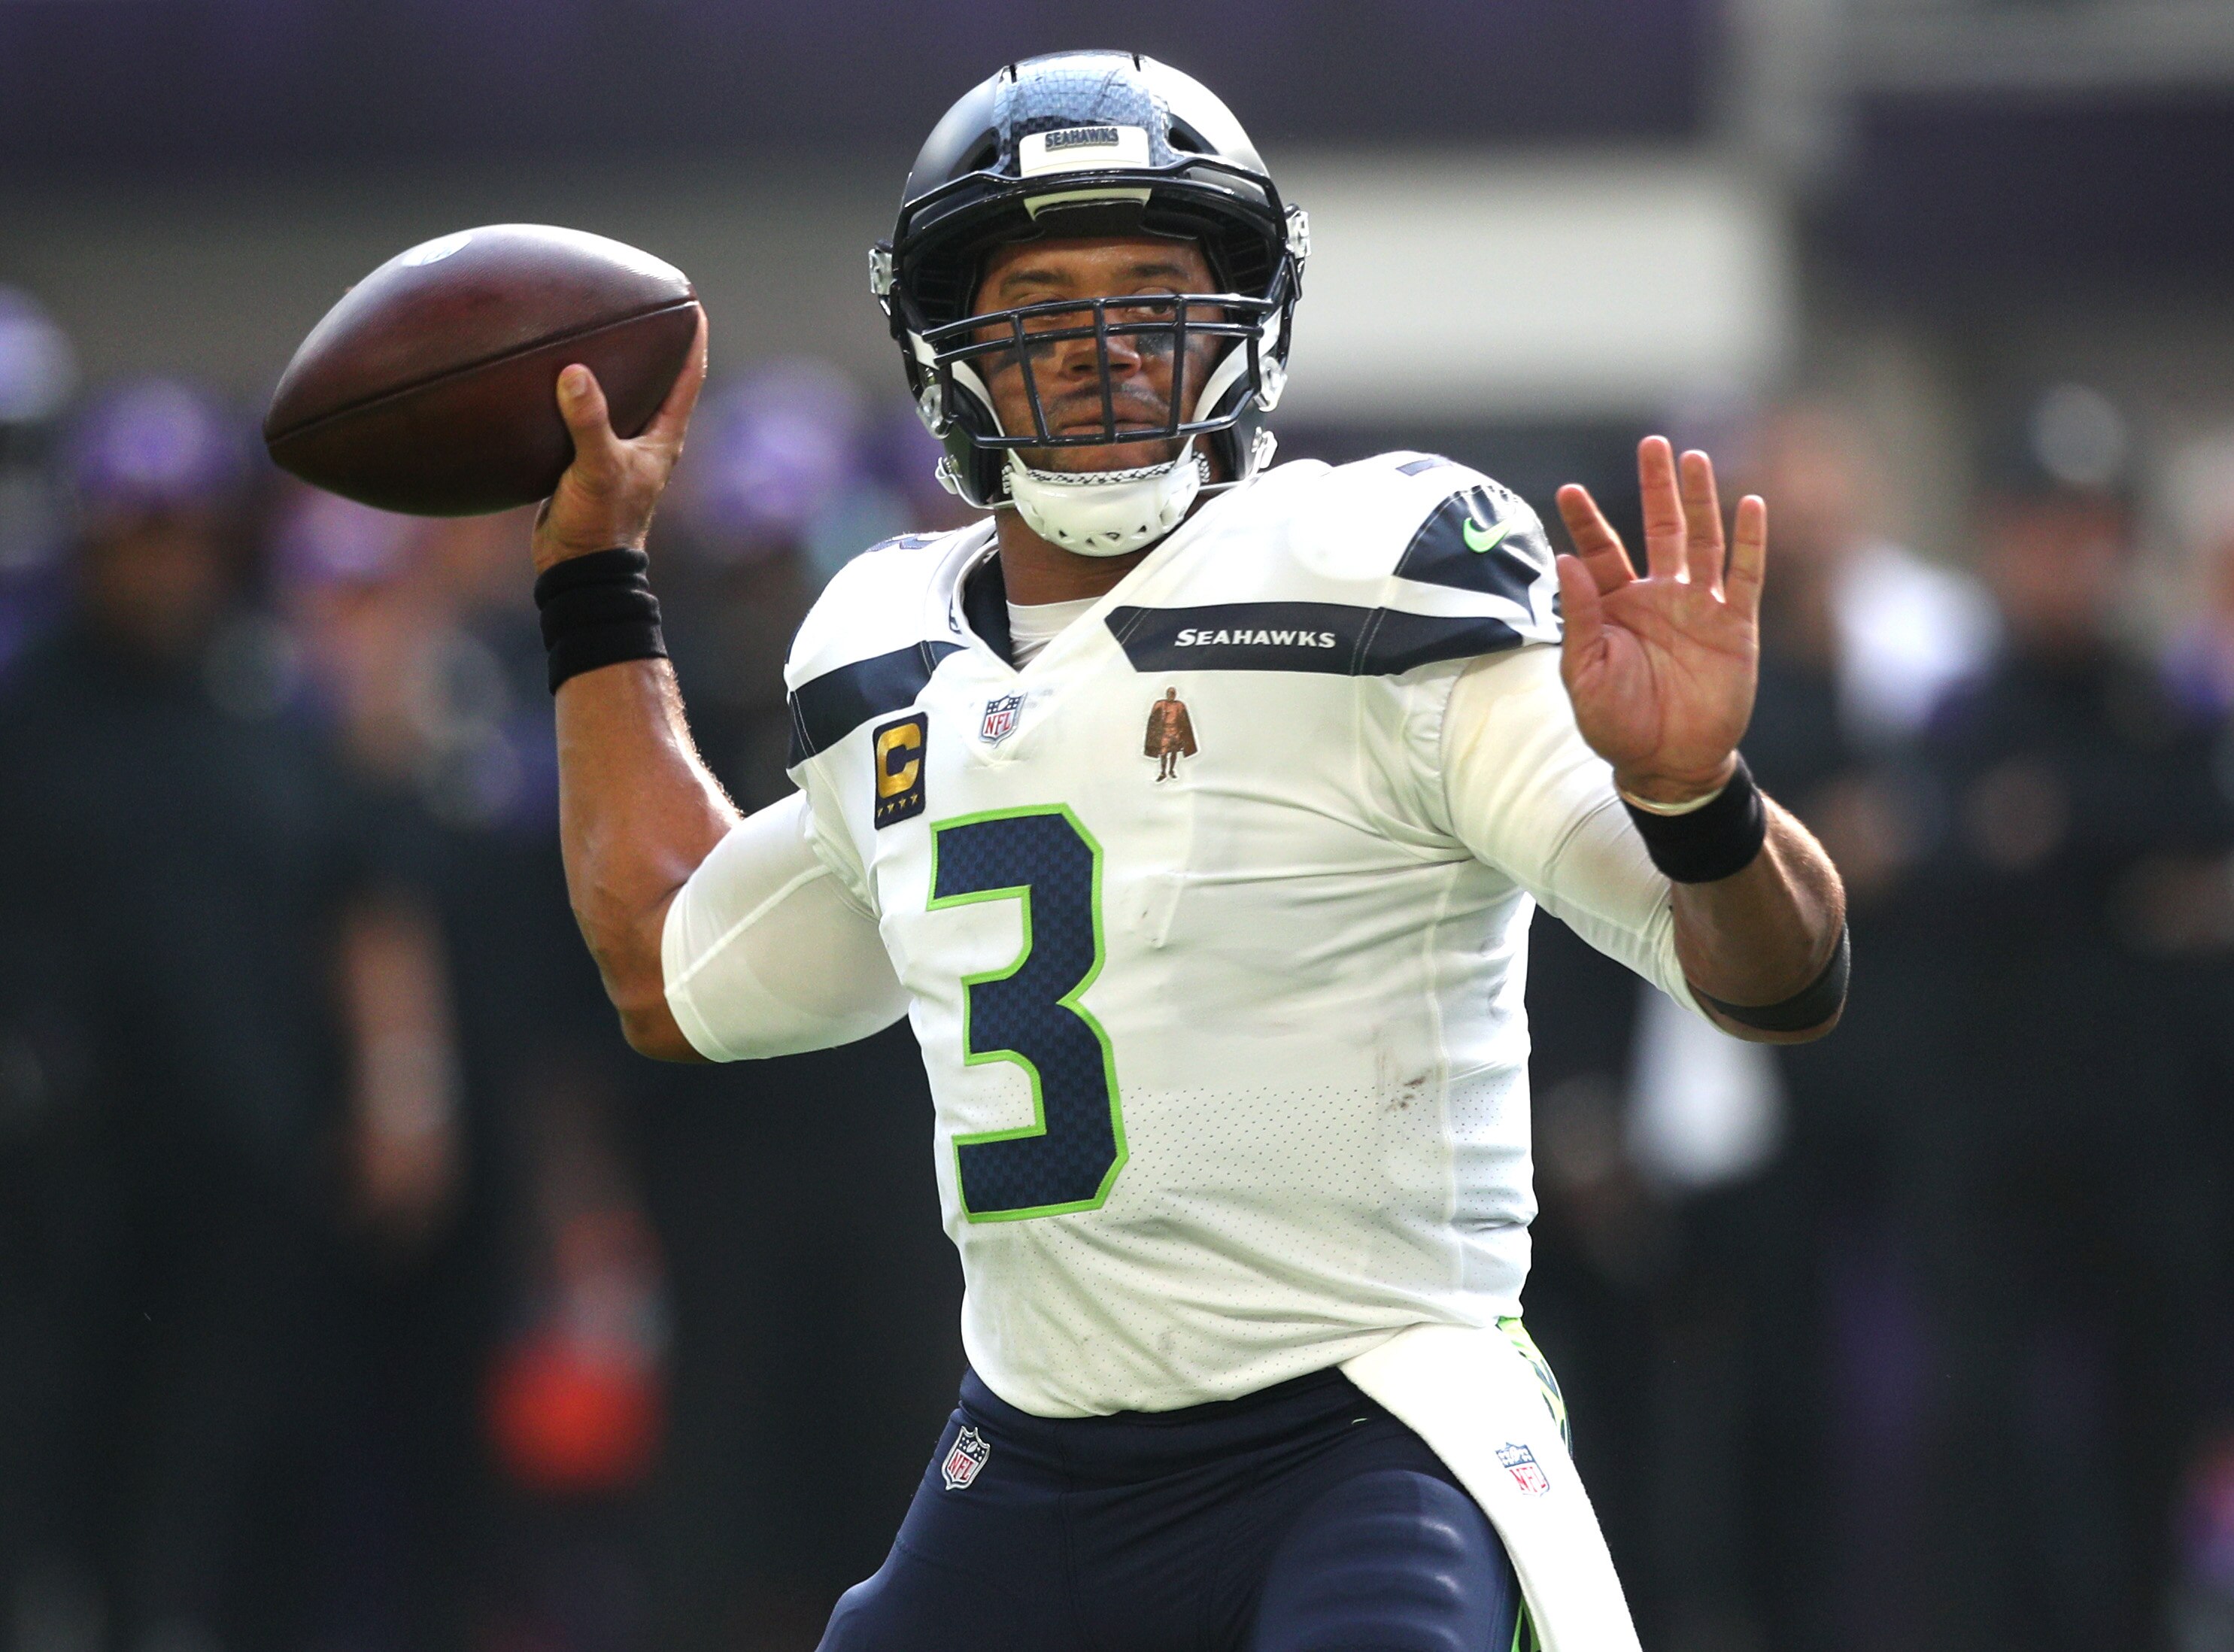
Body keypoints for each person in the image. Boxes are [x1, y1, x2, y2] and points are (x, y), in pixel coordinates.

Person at [524, 53, 1845, 1650]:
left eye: (1151, 294)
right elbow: (672, 967)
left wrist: (1698, 796)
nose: (1099, 347)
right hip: (1031, 1456)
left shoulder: (1372, 570)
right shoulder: (884, 645)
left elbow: (1778, 978)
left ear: (1244, 320)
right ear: (956, 353)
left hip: (1369, 1423)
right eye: (1044, 298)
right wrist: (596, 588)